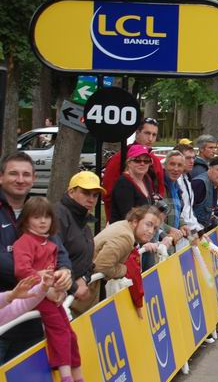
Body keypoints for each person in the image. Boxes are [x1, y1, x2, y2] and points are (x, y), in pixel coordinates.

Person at [0, 152, 72, 363]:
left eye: (26, 174)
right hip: (4, 316)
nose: (20, 179)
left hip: (33, 322)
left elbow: (59, 250)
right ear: (1, 177)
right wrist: (39, 279)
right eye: (14, 174)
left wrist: (64, 272)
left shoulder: (38, 209)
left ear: (33, 179)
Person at [14, 198, 87, 382]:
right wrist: (45, 287)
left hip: (51, 293)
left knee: (70, 334)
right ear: (26, 219)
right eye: (36, 217)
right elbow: (22, 270)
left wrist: (59, 284)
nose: (43, 221)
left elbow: (54, 268)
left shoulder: (47, 241)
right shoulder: (25, 241)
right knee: (61, 333)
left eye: (47, 216)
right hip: (35, 295)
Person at [93, 205, 162, 316]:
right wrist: (123, 270)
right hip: (85, 294)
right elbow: (102, 266)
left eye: (155, 228)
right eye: (148, 224)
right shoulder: (126, 237)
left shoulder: (124, 227)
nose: (151, 231)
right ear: (135, 221)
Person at [55, 172, 104, 316]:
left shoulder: (83, 221)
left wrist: (84, 278)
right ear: (71, 192)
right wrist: (73, 286)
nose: (91, 199)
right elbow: (51, 258)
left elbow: (87, 260)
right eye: (86, 193)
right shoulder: (57, 216)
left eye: (95, 195)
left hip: (71, 297)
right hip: (54, 297)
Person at [102, 118, 165, 219]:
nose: (150, 138)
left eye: (154, 135)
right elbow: (108, 193)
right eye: (147, 133)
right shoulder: (120, 158)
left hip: (150, 220)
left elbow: (160, 190)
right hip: (124, 221)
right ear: (137, 133)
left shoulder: (155, 161)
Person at [109, 144, 155, 223]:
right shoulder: (124, 183)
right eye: (137, 160)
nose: (142, 163)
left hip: (144, 229)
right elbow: (128, 216)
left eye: (146, 161)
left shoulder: (146, 179)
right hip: (125, 231)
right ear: (129, 163)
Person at [192, 157, 218, 227]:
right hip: (193, 231)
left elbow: (210, 207)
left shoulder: (215, 183)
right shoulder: (199, 183)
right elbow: (187, 210)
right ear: (210, 168)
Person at [173, 144, 201, 232]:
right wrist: (195, 232)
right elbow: (182, 213)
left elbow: (189, 210)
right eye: (188, 158)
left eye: (193, 158)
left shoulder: (187, 178)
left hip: (190, 232)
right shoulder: (175, 180)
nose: (192, 161)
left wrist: (198, 230)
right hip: (180, 232)